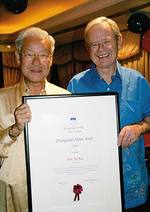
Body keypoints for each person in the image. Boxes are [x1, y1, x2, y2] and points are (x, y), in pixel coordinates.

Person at [67, 17, 150, 211]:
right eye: (94, 44)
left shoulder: (138, 81)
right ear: (88, 49)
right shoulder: (76, 85)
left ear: (118, 41)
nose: (101, 49)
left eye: (106, 41)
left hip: (133, 189)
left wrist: (140, 128)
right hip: (92, 189)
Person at [0, 27, 70, 212]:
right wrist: (13, 130)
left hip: (55, 193)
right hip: (13, 197)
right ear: (17, 57)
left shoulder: (66, 98)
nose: (37, 62)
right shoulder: (0, 98)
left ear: (51, 59)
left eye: (43, 55)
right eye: (29, 54)